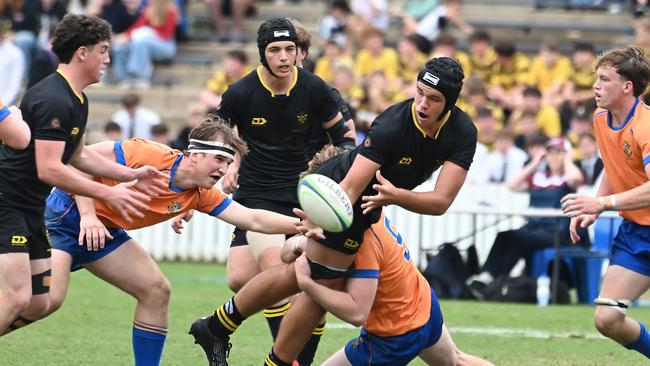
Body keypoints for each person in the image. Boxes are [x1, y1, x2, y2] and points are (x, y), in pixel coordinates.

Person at [189, 56, 477, 366]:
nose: (422, 103)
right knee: (318, 283)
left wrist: (397, 196)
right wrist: (319, 218)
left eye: (433, 98)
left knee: (298, 276)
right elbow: (351, 188)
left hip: (370, 204)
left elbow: (441, 201)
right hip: (338, 193)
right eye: (419, 92)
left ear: (450, 102)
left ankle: (218, 326)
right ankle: (269, 357)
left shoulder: (462, 132)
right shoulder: (393, 124)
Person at [32, 118, 309, 366]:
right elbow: (80, 159)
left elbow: (253, 219)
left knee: (156, 291)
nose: (224, 169)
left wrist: (303, 226)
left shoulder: (200, 193)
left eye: (228, 163)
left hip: (105, 232)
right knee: (42, 302)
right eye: (219, 160)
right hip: (63, 218)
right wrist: (88, 215)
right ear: (196, 154)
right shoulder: (149, 154)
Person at [186, 17, 355, 366]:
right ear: (262, 54)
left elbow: (346, 140)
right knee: (243, 279)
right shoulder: (240, 93)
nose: (283, 57)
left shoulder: (315, 88)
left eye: (289, 49)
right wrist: (222, 169)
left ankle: (285, 358)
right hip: (256, 194)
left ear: (298, 52)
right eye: (275, 50)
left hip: (302, 195)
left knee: (277, 278)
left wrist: (335, 177)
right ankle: (229, 334)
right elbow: (215, 139)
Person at [0, 14, 165, 336]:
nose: (108, 59)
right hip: (8, 206)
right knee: (16, 296)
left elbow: (78, 156)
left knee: (38, 303)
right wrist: (108, 193)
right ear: (82, 53)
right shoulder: (54, 99)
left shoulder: (76, 98)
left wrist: (129, 176)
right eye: (103, 50)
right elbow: (48, 168)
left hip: (30, 209)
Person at [285, 210, 492, 365]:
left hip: (395, 335)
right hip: (424, 304)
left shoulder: (359, 240)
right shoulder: (368, 212)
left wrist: (307, 284)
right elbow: (284, 254)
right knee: (456, 361)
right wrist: (300, 243)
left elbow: (357, 313)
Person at [561, 45, 650, 360]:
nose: (595, 86)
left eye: (604, 79)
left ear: (627, 87)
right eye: (596, 78)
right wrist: (593, 206)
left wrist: (604, 204)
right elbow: (615, 168)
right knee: (608, 319)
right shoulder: (601, 119)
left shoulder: (646, 126)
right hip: (638, 232)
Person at [466, 137, 585, 297]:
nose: (554, 157)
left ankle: (492, 280)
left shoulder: (567, 179)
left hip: (556, 231)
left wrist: (568, 159)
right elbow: (512, 185)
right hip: (533, 229)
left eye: (559, 153)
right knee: (507, 237)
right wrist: (535, 162)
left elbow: (576, 179)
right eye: (550, 153)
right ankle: (489, 279)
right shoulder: (539, 177)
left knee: (516, 237)